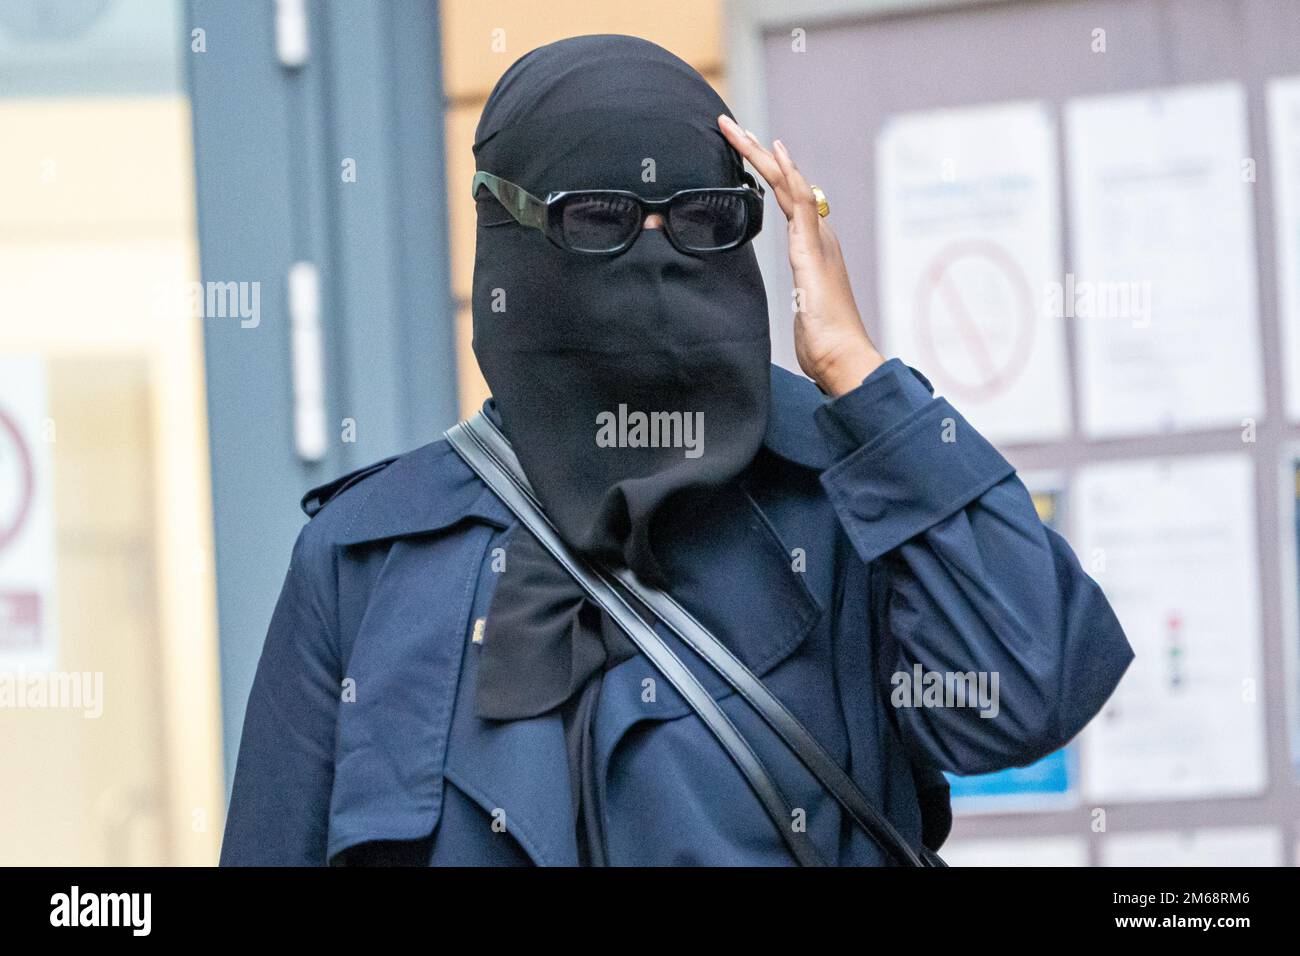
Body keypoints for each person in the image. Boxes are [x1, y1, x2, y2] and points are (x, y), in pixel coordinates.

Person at [219, 34, 1132, 866]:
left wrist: (857, 374)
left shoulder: (844, 498)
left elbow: (1028, 693)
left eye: (701, 218)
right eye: (599, 218)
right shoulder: (371, 557)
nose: (654, 260)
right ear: (508, 237)